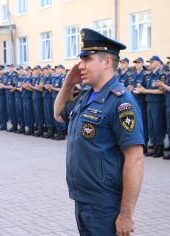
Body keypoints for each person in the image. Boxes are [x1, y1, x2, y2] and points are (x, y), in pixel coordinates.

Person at [54, 28, 144, 236]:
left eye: (87, 59)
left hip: (105, 204)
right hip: (82, 199)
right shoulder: (87, 95)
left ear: (106, 62)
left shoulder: (121, 102)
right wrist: (69, 82)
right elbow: (58, 113)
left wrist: (127, 214)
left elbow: (135, 158)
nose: (80, 65)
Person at [134, 56, 166, 157]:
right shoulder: (149, 75)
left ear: (157, 62)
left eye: (152, 62)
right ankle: (155, 145)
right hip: (149, 102)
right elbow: (142, 87)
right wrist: (138, 88)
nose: (150, 64)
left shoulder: (161, 74)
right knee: (151, 126)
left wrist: (145, 91)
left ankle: (159, 148)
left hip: (157, 103)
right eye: (149, 62)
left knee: (157, 126)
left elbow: (161, 91)